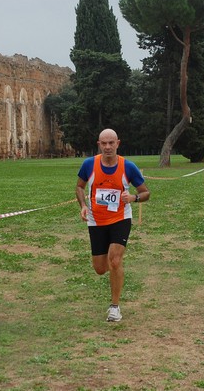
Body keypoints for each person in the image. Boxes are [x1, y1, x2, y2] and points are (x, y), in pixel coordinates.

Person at [75, 129, 150, 322]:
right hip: (96, 220)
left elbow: (146, 193)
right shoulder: (89, 164)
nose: (108, 147)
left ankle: (115, 307)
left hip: (120, 218)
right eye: (104, 143)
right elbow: (79, 186)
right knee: (100, 268)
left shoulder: (128, 167)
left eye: (111, 143)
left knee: (115, 260)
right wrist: (83, 205)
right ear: (99, 144)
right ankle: (115, 271)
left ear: (118, 143)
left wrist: (133, 197)